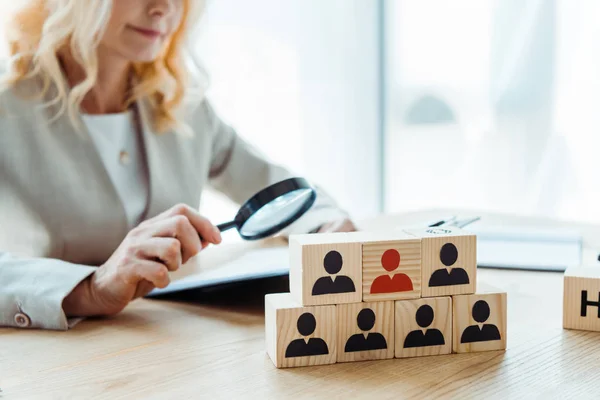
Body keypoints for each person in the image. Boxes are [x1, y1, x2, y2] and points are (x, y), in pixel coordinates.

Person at [0, 0, 355, 331]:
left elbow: (278, 188)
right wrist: (91, 289)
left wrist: (329, 225)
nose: (165, 8)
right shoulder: (8, 104)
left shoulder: (180, 104)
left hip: (168, 344)